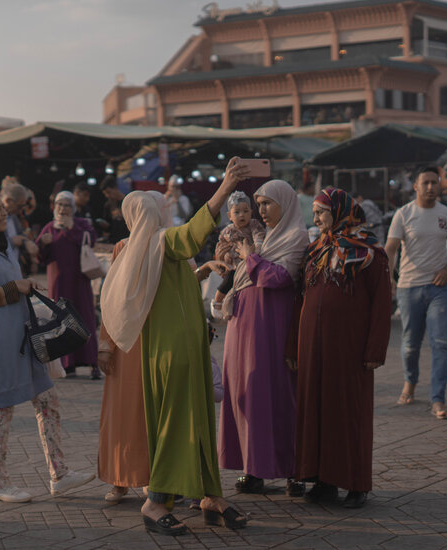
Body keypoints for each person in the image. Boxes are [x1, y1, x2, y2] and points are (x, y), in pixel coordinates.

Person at [100, 157, 250, 536]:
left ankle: (210, 497)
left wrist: (199, 275)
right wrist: (225, 187)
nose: (159, 214)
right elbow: (191, 235)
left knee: (198, 422)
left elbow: (177, 285)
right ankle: (156, 503)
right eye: (153, 210)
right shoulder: (156, 245)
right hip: (170, 357)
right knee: (173, 428)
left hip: (187, 352)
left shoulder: (150, 253)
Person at [0, 191, 93, 504]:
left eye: (3, 209)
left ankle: (59, 473)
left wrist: (24, 285)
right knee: (0, 413)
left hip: (22, 342)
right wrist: (13, 288)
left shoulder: (1, 245)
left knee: (48, 400)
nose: (3, 215)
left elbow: (9, 287)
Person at [290, 187, 391, 509]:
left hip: (349, 348)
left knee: (349, 413)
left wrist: (374, 350)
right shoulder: (316, 249)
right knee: (317, 411)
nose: (316, 218)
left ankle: (356, 484)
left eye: (321, 212)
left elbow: (381, 303)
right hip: (313, 347)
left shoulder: (368, 251)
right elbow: (300, 299)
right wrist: (293, 345)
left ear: (341, 212)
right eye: (316, 213)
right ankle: (323, 481)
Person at [218, 180, 308, 496]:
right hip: (243, 324)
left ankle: (293, 470)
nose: (261, 211)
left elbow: (280, 277)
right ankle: (253, 467)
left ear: (285, 203)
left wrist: (249, 257)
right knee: (246, 392)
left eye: (268, 203)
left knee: (278, 393)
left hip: (273, 325)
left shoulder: (296, 236)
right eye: (259, 205)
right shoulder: (264, 237)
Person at [384, 167, 447, 420]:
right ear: (415, 186)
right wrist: (389, 280)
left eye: (434, 183)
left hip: (439, 288)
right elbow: (390, 249)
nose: (430, 187)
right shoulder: (403, 214)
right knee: (410, 345)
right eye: (425, 183)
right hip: (409, 287)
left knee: (440, 343)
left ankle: (438, 398)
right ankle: (410, 382)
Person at [96, 239, 151, 503]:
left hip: (153, 340)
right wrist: (105, 344)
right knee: (121, 413)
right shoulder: (123, 246)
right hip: (123, 342)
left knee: (147, 413)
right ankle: (119, 478)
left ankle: (149, 476)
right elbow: (111, 297)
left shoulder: (162, 244)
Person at [36, 191, 100, 379]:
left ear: (73, 208)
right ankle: (67, 363)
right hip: (58, 282)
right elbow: (41, 256)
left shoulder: (81, 224)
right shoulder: (50, 227)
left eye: (66, 205)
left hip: (80, 282)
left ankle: (92, 362)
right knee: (62, 321)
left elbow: (92, 239)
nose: (62, 209)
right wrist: (43, 244)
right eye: (59, 205)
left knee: (85, 318)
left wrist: (71, 229)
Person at [211, 191, 265, 317]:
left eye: (246, 211)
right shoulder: (227, 231)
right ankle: (218, 301)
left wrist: (257, 249)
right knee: (228, 282)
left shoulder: (254, 225)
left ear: (251, 212)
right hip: (234, 265)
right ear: (229, 215)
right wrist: (225, 257)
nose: (242, 215)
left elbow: (259, 237)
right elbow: (220, 248)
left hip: (250, 262)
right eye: (237, 212)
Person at [0, 180, 38, 270]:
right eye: (19, 206)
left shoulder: (13, 216)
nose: (21, 210)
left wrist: (26, 242)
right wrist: (12, 241)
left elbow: (20, 235)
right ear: (8, 201)